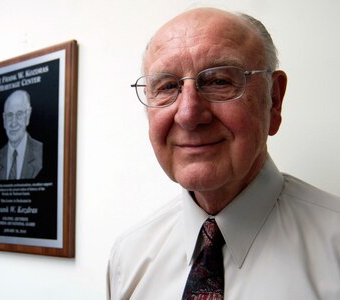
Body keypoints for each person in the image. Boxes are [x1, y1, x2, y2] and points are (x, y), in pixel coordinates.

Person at [107, 7, 340, 300]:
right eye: (167, 86)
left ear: (274, 100)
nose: (189, 114)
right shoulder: (129, 257)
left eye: (218, 81)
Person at [0, 89, 43, 180]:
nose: (13, 123)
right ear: (4, 120)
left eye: (19, 114)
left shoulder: (41, 153)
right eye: (9, 115)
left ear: (27, 116)